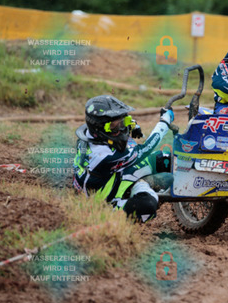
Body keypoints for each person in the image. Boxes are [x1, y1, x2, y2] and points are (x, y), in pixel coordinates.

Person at [73, 95, 174, 223]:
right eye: (114, 126)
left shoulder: (91, 134)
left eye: (122, 122)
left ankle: (141, 184)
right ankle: (118, 216)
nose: (120, 128)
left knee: (164, 159)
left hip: (110, 178)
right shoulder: (103, 155)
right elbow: (146, 147)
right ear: (98, 127)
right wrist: (164, 122)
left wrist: (133, 125)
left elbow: (120, 123)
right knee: (147, 205)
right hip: (101, 202)